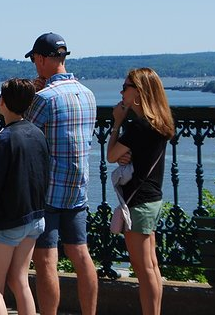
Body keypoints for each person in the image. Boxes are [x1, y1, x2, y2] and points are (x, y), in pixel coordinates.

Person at [23, 32, 98, 315]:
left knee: (46, 261)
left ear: (41, 59)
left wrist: (31, 92)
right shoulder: (88, 94)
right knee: (81, 255)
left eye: (34, 60)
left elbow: (22, 128)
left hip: (49, 189)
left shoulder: (44, 98)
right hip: (78, 187)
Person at [107, 68, 175, 315]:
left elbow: (112, 155)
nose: (121, 92)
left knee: (144, 268)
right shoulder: (158, 124)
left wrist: (117, 123)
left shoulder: (138, 127)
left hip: (138, 201)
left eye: (126, 87)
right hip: (152, 198)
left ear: (139, 91)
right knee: (152, 266)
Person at [0, 78, 49, 315]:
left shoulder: (3, 138)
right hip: (35, 217)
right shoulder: (37, 133)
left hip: (7, 221)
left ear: (3, 102)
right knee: (20, 280)